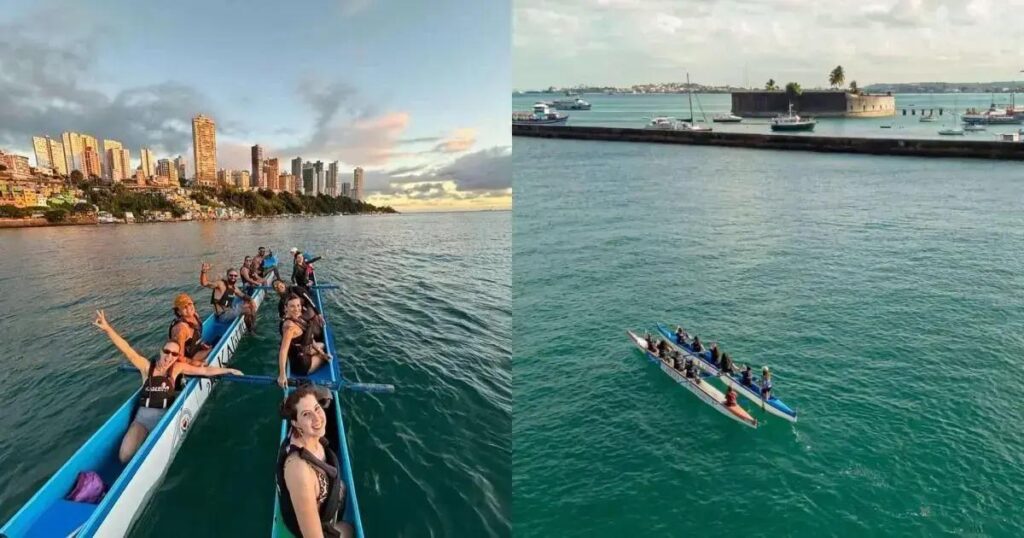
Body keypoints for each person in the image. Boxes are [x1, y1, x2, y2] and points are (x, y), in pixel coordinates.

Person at [93, 310, 242, 463]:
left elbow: (204, 371)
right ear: (161, 351)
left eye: (174, 354)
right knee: (124, 457)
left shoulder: (177, 368)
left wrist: (228, 370)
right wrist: (107, 328)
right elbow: (127, 350)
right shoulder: (146, 367)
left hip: (163, 421)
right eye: (167, 352)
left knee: (150, 456)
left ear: (177, 357)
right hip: (141, 421)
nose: (169, 357)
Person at [276, 385, 353, 538]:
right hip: (311, 529)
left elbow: (324, 396)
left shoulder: (307, 435)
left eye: (317, 408)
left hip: (325, 507)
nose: (317, 418)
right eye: (306, 414)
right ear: (295, 423)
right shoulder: (299, 471)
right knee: (348, 529)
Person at [278, 296, 331, 388]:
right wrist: (282, 375)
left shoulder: (297, 318)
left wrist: (321, 352)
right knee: (327, 358)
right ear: (286, 308)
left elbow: (308, 337)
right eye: (292, 306)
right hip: (302, 364)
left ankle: (317, 353)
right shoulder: (289, 327)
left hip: (301, 352)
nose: (296, 309)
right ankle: (314, 360)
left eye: (298, 305)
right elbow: (283, 350)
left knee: (322, 345)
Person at [200, 263, 257, 329]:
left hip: (230, 310)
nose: (233, 277)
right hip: (223, 316)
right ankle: (251, 330)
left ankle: (252, 325)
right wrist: (203, 271)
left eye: (235, 276)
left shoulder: (234, 288)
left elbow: (243, 295)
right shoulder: (220, 284)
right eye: (231, 275)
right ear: (227, 276)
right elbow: (204, 283)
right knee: (248, 310)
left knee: (250, 303)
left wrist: (251, 300)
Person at [169, 293, 212, 366]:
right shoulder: (181, 329)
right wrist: (196, 363)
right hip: (189, 358)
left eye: (190, 304)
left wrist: (201, 344)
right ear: (179, 312)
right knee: (213, 350)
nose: (189, 308)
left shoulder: (195, 315)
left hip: (194, 348)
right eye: (184, 307)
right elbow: (179, 357)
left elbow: (196, 334)